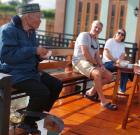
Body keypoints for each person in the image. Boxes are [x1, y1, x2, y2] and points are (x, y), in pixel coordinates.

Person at [0, 4, 63, 134]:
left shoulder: (31, 31)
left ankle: (35, 116)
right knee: (42, 92)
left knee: (56, 84)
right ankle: (26, 123)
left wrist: (40, 56)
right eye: (39, 17)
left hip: (29, 71)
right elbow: (7, 56)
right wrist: (34, 50)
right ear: (28, 17)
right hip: (13, 72)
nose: (41, 20)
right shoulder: (8, 30)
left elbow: (32, 54)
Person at [72, 20, 117, 110]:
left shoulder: (96, 41)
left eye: (99, 29)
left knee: (110, 76)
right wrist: (96, 64)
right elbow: (85, 53)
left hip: (90, 63)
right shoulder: (84, 35)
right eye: (95, 27)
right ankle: (103, 101)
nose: (97, 29)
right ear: (91, 26)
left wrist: (101, 65)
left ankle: (91, 92)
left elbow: (97, 56)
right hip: (79, 62)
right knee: (97, 74)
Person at [103, 28, 130, 94]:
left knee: (125, 70)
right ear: (116, 33)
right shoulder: (110, 41)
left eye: (122, 34)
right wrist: (115, 60)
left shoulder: (122, 44)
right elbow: (107, 54)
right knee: (123, 69)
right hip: (107, 63)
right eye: (119, 33)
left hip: (117, 64)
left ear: (123, 37)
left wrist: (120, 60)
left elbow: (122, 55)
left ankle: (122, 90)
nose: (120, 35)